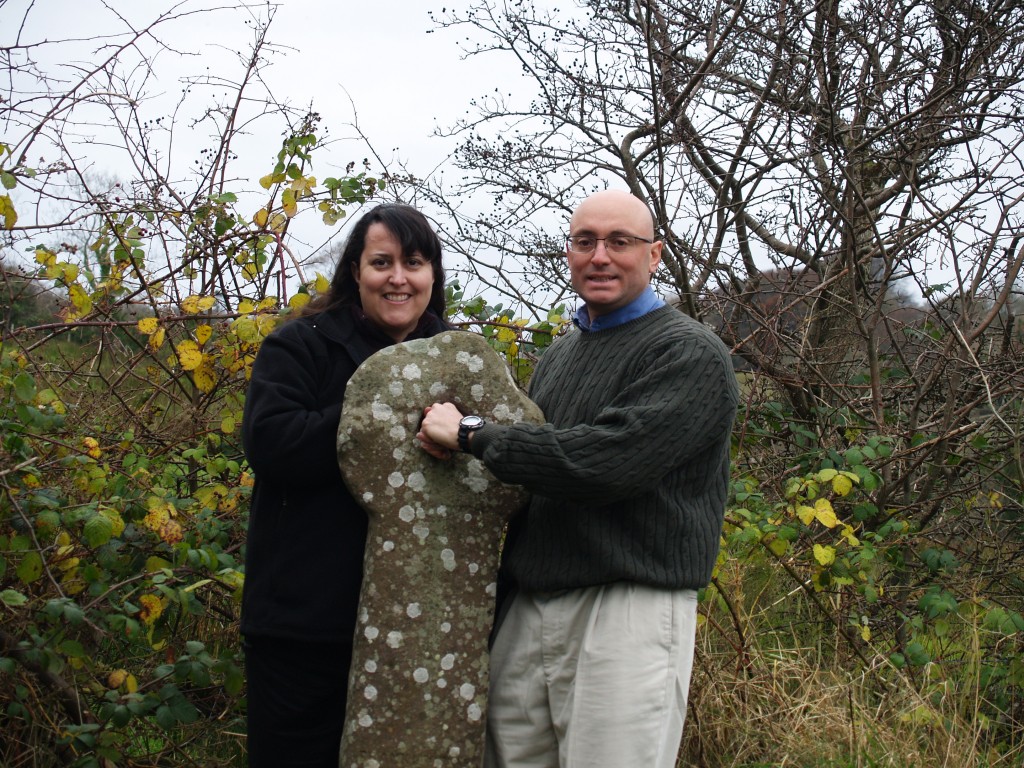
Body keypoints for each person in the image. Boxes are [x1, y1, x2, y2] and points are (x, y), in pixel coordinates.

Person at [418, 189, 739, 768]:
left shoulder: (689, 353)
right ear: (568, 253)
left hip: (627, 608)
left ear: (655, 255)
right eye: (584, 241)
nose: (600, 256)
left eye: (620, 242)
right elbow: (534, 470)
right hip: (533, 604)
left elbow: (605, 463)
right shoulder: (562, 354)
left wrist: (472, 435)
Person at [240, 203, 450, 767]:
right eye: (381, 262)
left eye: (414, 261)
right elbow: (272, 443)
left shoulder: (458, 363)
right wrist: (388, 407)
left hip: (415, 631)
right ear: (355, 271)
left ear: (433, 274)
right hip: (303, 629)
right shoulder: (302, 345)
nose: (398, 277)